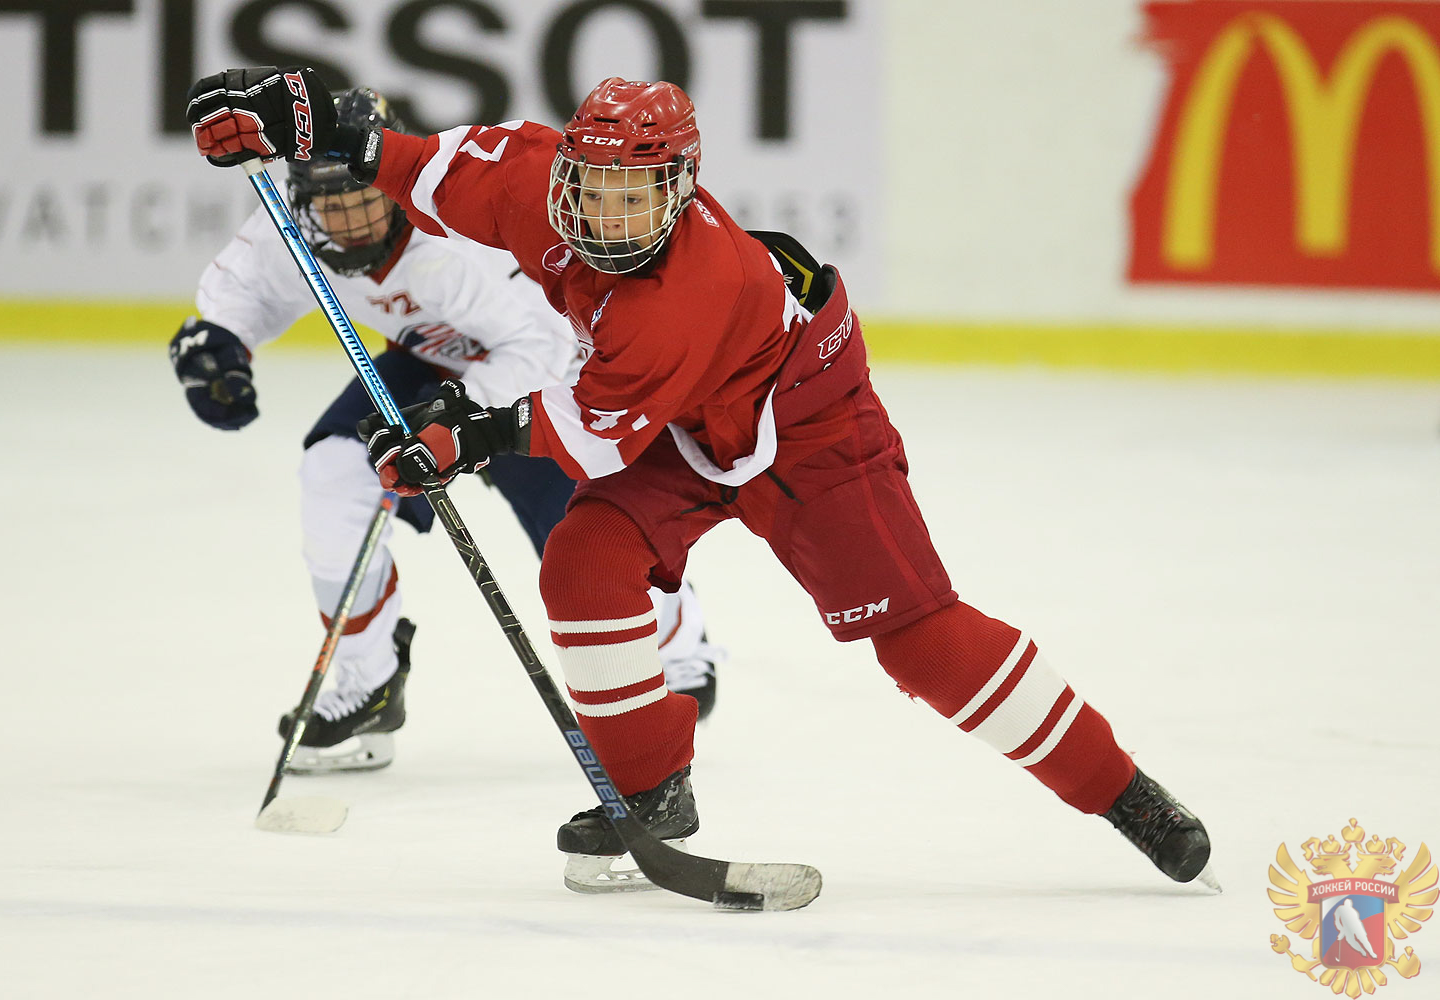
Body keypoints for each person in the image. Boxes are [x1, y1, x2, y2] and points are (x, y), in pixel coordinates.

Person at [186, 68, 1216, 893]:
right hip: (689, 421)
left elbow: (587, 434)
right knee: (585, 561)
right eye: (595, 187)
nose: (610, 214)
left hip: (808, 427)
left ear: (677, 191)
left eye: (638, 195)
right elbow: (402, 157)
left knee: (922, 645)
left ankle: (1124, 792)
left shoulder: (684, 292)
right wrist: (295, 111)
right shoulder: (533, 176)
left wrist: (465, 431)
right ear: (570, 172)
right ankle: (654, 793)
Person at [172, 86, 724, 775]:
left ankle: (679, 650)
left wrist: (454, 416)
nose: (346, 223)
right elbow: (243, 291)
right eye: (330, 207)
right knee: (334, 472)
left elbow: (543, 346)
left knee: (587, 538)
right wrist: (218, 348)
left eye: (361, 201)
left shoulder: (458, 242)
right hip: (430, 361)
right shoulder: (292, 219)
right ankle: (368, 682)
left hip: (541, 380)